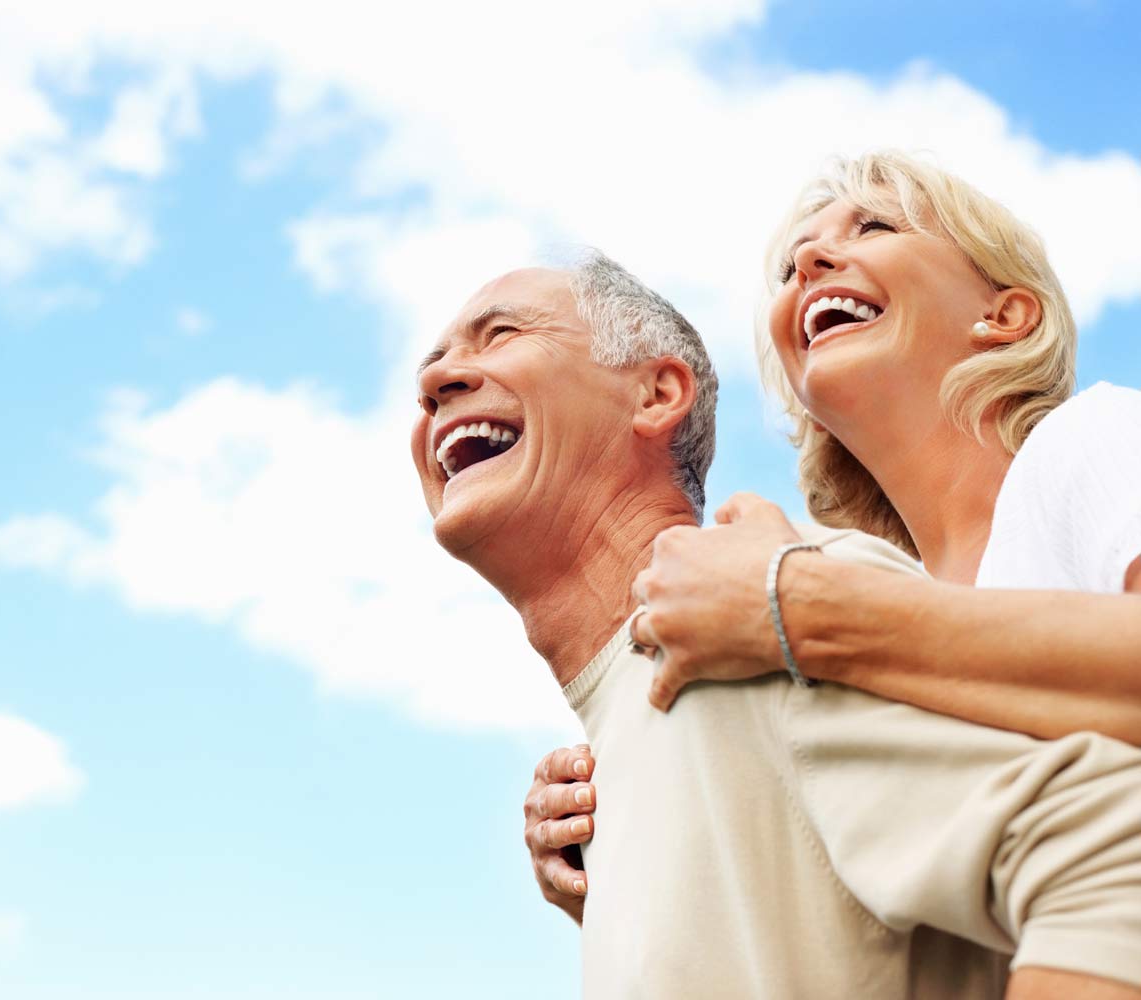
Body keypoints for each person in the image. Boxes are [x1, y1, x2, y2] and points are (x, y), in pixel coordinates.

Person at [414, 253, 1141, 997]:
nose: (435, 381)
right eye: (429, 369)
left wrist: (799, 609)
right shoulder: (628, 747)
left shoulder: (766, 620)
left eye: (501, 335)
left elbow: (1114, 850)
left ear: (657, 394)